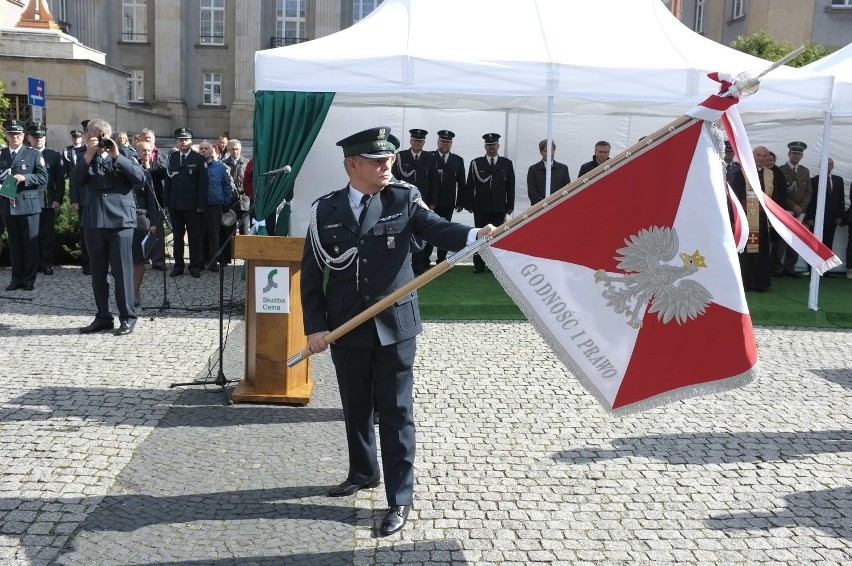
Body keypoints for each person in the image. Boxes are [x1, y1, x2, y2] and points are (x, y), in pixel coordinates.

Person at [301, 126, 494, 537]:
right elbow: (312, 275)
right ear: (352, 165)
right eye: (376, 160)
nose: (387, 165)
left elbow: (437, 227)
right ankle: (363, 471)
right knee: (355, 406)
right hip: (346, 326)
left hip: (395, 325)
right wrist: (315, 328)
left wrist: (475, 234)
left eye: (389, 158)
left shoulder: (403, 198)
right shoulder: (324, 210)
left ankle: (399, 498)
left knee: (395, 411)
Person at [71, 118, 145, 335]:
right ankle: (103, 316)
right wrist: (88, 155)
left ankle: (128, 316)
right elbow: (75, 181)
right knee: (98, 272)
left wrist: (116, 155)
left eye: (103, 136)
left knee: (122, 271)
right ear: (88, 136)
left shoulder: (125, 154)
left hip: (121, 221)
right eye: (95, 136)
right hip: (94, 221)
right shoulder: (83, 157)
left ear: (109, 135)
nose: (100, 140)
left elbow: (140, 178)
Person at [729, 145, 787, 291]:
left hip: (763, 220)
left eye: (764, 156)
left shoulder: (771, 174)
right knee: (746, 251)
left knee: (761, 251)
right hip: (746, 218)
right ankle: (745, 283)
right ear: (752, 156)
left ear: (768, 158)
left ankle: (759, 283)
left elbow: (776, 197)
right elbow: (734, 195)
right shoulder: (742, 172)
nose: (761, 159)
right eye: (758, 156)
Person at [0, 119, 48, 291]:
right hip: (8, 204)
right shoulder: (2, 154)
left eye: (18, 134)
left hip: (28, 205)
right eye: (11, 134)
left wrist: (26, 178)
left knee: (30, 244)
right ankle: (16, 279)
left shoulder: (33, 154)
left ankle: (28, 279)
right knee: (15, 245)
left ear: (23, 136)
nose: (15, 137)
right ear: (6, 136)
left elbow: (43, 178)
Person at [464, 132, 515, 273]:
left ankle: (495, 266)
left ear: (498, 145)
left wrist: (510, 205)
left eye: (493, 144)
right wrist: (469, 204)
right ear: (485, 146)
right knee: (479, 236)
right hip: (480, 206)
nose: (491, 147)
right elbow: (470, 185)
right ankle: (479, 265)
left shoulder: (506, 163)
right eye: (489, 145)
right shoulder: (476, 163)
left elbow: (510, 186)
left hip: (499, 207)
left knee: (496, 237)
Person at [392, 128, 439, 274]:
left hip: (422, 201)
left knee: (420, 232)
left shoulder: (430, 158)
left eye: (420, 141)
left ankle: (417, 264)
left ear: (424, 142)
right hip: (403, 200)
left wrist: (432, 202)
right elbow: (394, 179)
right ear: (410, 141)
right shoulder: (401, 157)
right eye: (415, 140)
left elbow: (434, 182)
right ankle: (401, 263)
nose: (417, 143)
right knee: (401, 231)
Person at [164, 127, 207, 278]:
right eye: (181, 140)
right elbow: (168, 181)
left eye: (186, 139)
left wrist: (201, 205)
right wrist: (166, 203)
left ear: (191, 141)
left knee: (194, 237)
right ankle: (178, 266)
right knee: (177, 237)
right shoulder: (172, 157)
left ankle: (194, 265)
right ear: (176, 141)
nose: (183, 142)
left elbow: (203, 185)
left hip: (192, 205)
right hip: (176, 204)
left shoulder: (198, 159)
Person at [27, 124, 65, 276]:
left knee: (47, 234)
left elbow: (59, 180)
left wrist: (58, 198)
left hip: (46, 199)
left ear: (45, 138)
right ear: (30, 138)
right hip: (28, 200)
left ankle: (47, 263)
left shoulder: (53, 155)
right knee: (31, 233)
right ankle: (34, 264)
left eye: (41, 137)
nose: (38, 140)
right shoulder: (25, 154)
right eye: (35, 137)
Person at [774, 141, 811, 277]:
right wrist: (793, 206)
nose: (796, 156)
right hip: (785, 209)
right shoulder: (780, 170)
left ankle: (790, 268)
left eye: (799, 154)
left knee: (795, 240)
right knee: (781, 240)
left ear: (802, 156)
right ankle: (777, 268)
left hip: (800, 211)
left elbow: (808, 191)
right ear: (789, 154)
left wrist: (801, 207)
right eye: (794, 153)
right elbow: (780, 192)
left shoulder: (804, 171)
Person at [430, 130, 466, 264]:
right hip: (430, 202)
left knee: (444, 231)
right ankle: (423, 260)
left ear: (451, 144)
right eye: (443, 141)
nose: (445, 144)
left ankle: (441, 260)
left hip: (448, 202)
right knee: (428, 229)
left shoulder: (457, 160)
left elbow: (462, 183)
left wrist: (460, 202)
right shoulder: (429, 157)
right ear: (438, 142)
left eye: (447, 142)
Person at [132, 140, 161, 306]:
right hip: (123, 219)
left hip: (141, 219)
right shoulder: (125, 171)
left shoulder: (146, 174)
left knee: (138, 259)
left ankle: (135, 292)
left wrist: (154, 223)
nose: (146, 153)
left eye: (149, 150)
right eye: (143, 150)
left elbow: (152, 200)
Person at [199, 140, 235, 272]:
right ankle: (202, 260)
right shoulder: (197, 165)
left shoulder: (219, 167)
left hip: (215, 205)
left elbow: (227, 185)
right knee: (201, 234)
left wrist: (226, 202)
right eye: (201, 149)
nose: (203, 151)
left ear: (211, 151)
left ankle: (214, 261)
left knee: (214, 235)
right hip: (199, 206)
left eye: (206, 149)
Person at [139, 128, 168, 270]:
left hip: (158, 196)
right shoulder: (134, 157)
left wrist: (151, 171)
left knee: (157, 229)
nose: (147, 140)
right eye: (144, 137)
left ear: (154, 139)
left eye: (149, 138)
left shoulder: (162, 156)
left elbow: (166, 174)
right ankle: (142, 258)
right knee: (142, 228)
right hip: (140, 200)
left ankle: (158, 261)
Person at [804, 158, 845, 255]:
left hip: (833, 219)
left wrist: (840, 216)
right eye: (825, 164)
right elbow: (810, 200)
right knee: (814, 244)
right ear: (820, 166)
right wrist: (809, 217)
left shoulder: (839, 180)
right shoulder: (813, 181)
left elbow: (841, 199)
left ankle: (825, 269)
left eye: (830, 164)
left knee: (828, 244)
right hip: (816, 219)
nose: (828, 166)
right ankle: (812, 269)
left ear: (833, 166)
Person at [66, 127, 91, 274]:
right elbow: (74, 179)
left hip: (100, 200)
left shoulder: (106, 149)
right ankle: (87, 263)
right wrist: (74, 199)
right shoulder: (79, 153)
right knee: (85, 232)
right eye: (88, 132)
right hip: (83, 199)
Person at [527, 139, 571, 205]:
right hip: (539, 209)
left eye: (551, 150)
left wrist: (555, 202)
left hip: (559, 206)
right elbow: (532, 193)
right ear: (540, 152)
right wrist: (546, 204)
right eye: (546, 151)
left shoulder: (563, 169)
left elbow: (567, 189)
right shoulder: (533, 170)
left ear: (554, 151)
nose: (549, 154)